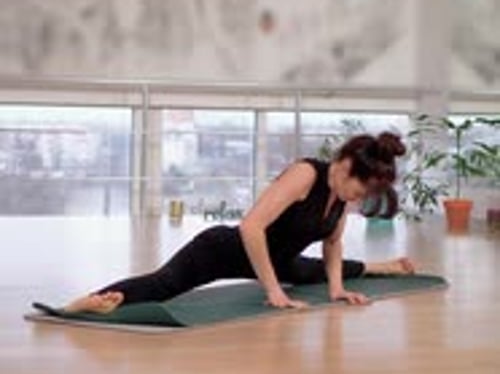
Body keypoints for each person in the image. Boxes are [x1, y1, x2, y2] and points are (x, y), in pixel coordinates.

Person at [61, 131, 415, 315]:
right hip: (224, 251)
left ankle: (383, 267)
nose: (360, 198)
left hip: (276, 261)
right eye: (362, 188)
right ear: (346, 165)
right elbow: (251, 227)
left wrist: (337, 290)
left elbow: (333, 244)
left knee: (314, 272)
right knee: (165, 284)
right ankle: (89, 301)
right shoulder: (306, 174)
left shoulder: (342, 196)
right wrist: (274, 291)